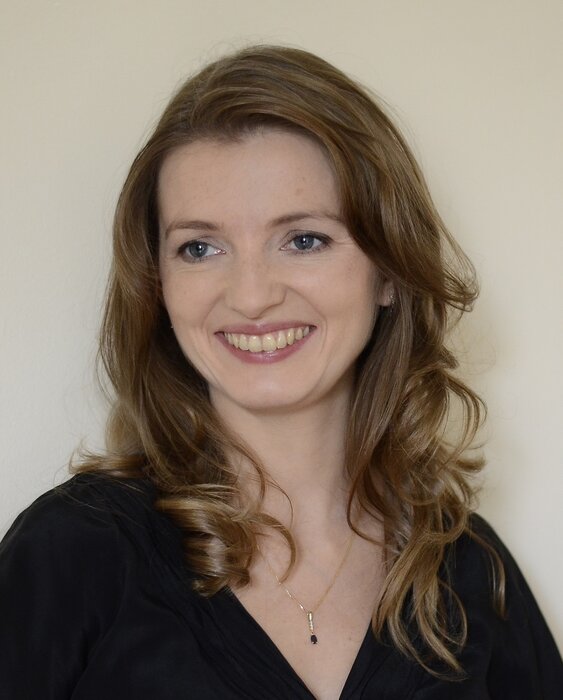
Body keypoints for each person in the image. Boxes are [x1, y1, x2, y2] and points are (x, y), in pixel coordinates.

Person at [0, 45, 560, 700]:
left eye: (302, 240)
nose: (251, 295)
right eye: (200, 247)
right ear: (159, 286)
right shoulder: (74, 551)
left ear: (388, 271)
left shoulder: (470, 572)